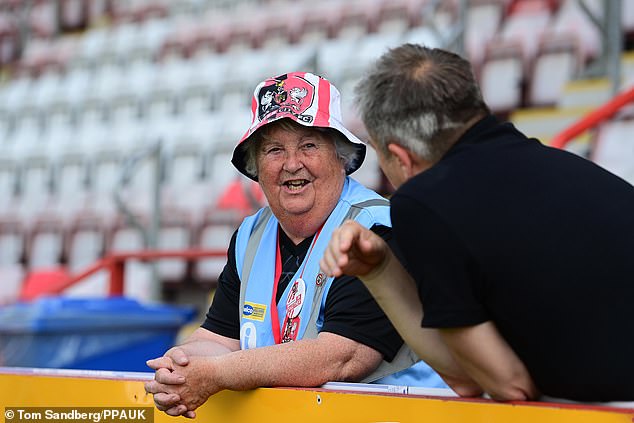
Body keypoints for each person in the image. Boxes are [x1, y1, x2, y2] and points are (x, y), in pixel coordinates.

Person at [320, 44, 634, 403]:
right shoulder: (564, 166)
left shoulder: (424, 203)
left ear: (402, 158)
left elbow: (504, 386)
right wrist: (379, 269)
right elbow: (472, 373)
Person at [144, 72, 445, 418]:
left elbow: (343, 357)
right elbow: (218, 340)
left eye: (309, 145)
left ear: (341, 157)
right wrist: (178, 367)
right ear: (257, 167)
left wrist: (216, 374)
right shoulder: (250, 234)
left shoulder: (377, 228)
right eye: (274, 149)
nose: (291, 164)